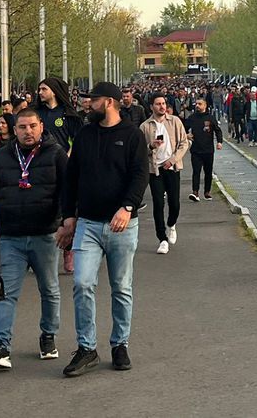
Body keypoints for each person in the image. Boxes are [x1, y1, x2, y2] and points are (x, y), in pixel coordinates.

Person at [56, 82, 150, 377]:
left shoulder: (132, 136)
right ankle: (86, 348)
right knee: (83, 283)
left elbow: (140, 175)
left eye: (93, 100)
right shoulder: (84, 134)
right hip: (87, 224)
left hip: (122, 225)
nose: (88, 104)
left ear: (108, 102)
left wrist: (128, 207)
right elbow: (71, 177)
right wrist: (68, 216)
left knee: (121, 287)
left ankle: (119, 343)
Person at [0, 108, 68, 370]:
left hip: (45, 235)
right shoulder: (4, 155)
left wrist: (65, 223)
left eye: (32, 126)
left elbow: (67, 190)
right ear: (14, 129)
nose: (27, 132)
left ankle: (48, 336)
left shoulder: (56, 154)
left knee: (49, 290)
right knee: (6, 292)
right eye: (22, 127)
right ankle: (1, 346)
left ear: (41, 126)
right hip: (11, 236)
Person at [140, 94, 190, 254]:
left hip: (171, 167)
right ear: (151, 107)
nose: (162, 106)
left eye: (163, 103)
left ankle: (171, 224)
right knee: (158, 204)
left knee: (174, 203)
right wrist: (151, 146)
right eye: (158, 104)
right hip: (155, 169)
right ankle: (162, 238)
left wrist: (173, 160)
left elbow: (184, 143)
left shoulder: (174, 121)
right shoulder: (145, 126)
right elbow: (140, 150)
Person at [186, 95, 223, 201]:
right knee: (196, 171)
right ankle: (195, 192)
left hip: (208, 150)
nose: (197, 106)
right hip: (196, 150)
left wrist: (219, 142)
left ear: (205, 105)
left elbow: (218, 130)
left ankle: (207, 191)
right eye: (196, 104)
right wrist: (186, 135)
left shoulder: (210, 118)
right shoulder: (192, 117)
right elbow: (183, 128)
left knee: (208, 171)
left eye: (200, 104)